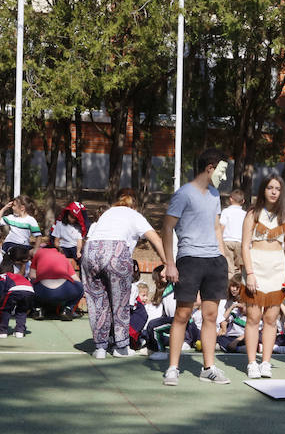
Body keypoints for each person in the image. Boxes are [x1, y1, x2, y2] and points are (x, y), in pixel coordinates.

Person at [161, 148, 232, 385]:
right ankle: (173, 367)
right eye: (222, 170)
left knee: (210, 315)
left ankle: (208, 367)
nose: (224, 176)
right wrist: (170, 263)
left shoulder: (214, 195)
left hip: (214, 261)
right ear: (210, 168)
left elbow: (216, 228)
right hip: (189, 259)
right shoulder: (184, 194)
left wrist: (223, 259)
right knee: (182, 313)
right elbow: (167, 227)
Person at [82, 189, 167, 359]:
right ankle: (121, 346)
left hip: (91, 250)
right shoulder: (134, 215)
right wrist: (167, 263)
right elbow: (155, 239)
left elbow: (91, 236)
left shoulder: (107, 214)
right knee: (120, 302)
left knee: (97, 301)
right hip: (116, 251)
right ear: (134, 206)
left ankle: (100, 347)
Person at [241, 174, 285, 379]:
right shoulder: (253, 214)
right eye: (270, 188)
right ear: (263, 190)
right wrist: (251, 273)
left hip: (278, 268)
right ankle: (252, 362)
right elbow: (245, 245)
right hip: (256, 266)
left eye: (277, 189)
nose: (273, 192)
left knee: (271, 318)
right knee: (253, 317)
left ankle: (266, 362)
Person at [30, 246, 84, 321]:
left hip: (42, 291)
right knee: (80, 286)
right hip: (65, 290)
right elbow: (76, 279)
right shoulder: (63, 257)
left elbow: (32, 276)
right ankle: (67, 309)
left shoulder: (38, 254)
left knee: (29, 286)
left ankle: (38, 309)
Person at [0, 256, 34, 338]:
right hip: (30, 289)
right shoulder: (17, 276)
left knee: (5, 309)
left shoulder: (3, 276)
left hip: (14, 289)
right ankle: (20, 331)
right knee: (22, 310)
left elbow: (1, 293)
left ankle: (2, 331)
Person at [219, 189, 246, 278]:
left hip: (227, 241)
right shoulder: (245, 214)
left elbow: (221, 227)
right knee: (239, 268)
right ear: (243, 201)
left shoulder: (226, 211)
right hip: (240, 242)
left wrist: (218, 240)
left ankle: (229, 286)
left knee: (229, 267)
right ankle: (237, 286)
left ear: (230, 199)